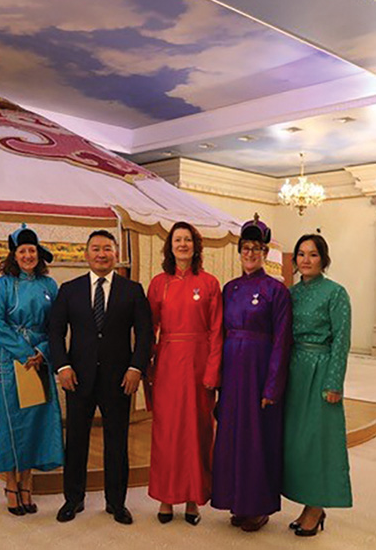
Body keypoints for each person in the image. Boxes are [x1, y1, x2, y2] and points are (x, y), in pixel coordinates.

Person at [50, 229, 153, 525]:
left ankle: (116, 503)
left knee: (117, 442)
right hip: (77, 379)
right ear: (86, 254)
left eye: (107, 249)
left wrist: (136, 369)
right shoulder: (69, 289)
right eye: (95, 249)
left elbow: (144, 334)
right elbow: (55, 332)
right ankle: (73, 499)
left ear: (116, 254)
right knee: (77, 442)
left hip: (120, 380)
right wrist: (62, 366)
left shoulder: (133, 290)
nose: (101, 254)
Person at [211, 215, 292, 532]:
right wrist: (216, 378)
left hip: (259, 372)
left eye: (257, 247)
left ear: (265, 252)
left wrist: (272, 386)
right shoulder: (228, 289)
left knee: (259, 439)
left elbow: (282, 341)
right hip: (232, 372)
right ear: (239, 250)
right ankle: (236, 500)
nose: (250, 253)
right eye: (246, 247)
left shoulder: (276, 291)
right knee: (233, 437)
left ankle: (258, 506)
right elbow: (218, 335)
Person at [0, 225, 64, 516]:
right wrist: (25, 352)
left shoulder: (49, 285)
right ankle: (11, 485)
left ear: (38, 254)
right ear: (14, 256)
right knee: (9, 423)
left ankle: (28, 483)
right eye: (22, 251)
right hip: (11, 360)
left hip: (40, 360)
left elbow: (56, 325)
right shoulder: (4, 285)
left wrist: (42, 351)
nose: (27, 255)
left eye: (32, 251)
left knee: (34, 423)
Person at [146, 222, 222, 525]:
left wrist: (213, 371)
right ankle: (166, 498)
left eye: (187, 239)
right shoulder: (158, 283)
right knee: (167, 433)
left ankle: (193, 499)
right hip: (166, 364)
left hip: (199, 364)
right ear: (170, 246)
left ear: (195, 245)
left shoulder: (209, 283)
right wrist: (149, 367)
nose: (182, 245)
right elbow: (149, 329)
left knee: (198, 431)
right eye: (177, 240)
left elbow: (217, 331)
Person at [283, 233, 352, 537]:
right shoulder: (291, 293)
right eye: (301, 254)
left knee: (318, 442)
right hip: (294, 371)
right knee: (297, 443)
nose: (306, 260)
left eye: (312, 254)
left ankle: (316, 507)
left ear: (323, 259)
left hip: (322, 370)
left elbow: (341, 339)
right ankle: (307, 504)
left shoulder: (336, 293)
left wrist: (334, 381)